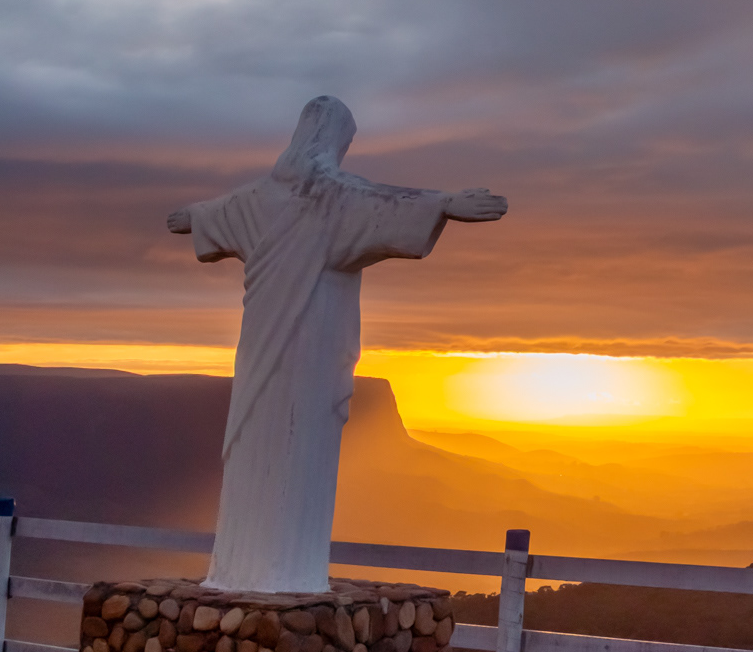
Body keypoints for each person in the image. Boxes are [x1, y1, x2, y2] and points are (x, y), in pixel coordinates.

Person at [167, 94, 506, 592]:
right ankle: (284, 575)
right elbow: (388, 204)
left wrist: (193, 217)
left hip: (259, 349)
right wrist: (446, 203)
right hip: (312, 353)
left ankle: (243, 571)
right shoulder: (335, 197)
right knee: (297, 452)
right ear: (338, 141)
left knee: (258, 446)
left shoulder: (256, 198)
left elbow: (214, 213)